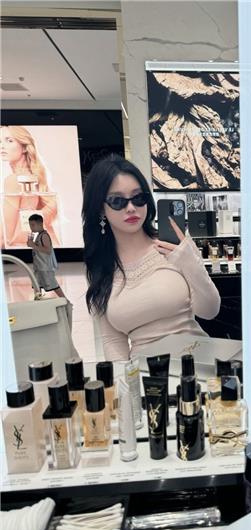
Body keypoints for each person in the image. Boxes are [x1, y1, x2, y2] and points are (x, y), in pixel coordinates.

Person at [82, 156, 221, 361]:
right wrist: (126, 379)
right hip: (146, 374)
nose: (131, 208)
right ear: (100, 208)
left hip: (196, 364)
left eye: (138, 198)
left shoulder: (175, 246)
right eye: (118, 201)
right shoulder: (101, 267)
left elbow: (209, 311)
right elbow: (112, 341)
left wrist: (189, 261)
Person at [1, 125, 59, 247]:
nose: (2, 146)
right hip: (49, 250)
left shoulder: (14, 180)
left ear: (24, 147)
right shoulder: (35, 177)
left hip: (23, 253)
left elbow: (5, 236)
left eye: (9, 141)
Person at [26, 214, 66, 299]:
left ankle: (66, 301)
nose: (31, 227)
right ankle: (38, 301)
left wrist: (33, 245)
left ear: (40, 224)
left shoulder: (44, 235)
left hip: (45, 267)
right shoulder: (37, 235)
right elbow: (32, 246)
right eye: (30, 225)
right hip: (38, 267)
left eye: (33, 225)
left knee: (53, 285)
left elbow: (48, 250)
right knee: (37, 285)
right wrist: (31, 242)